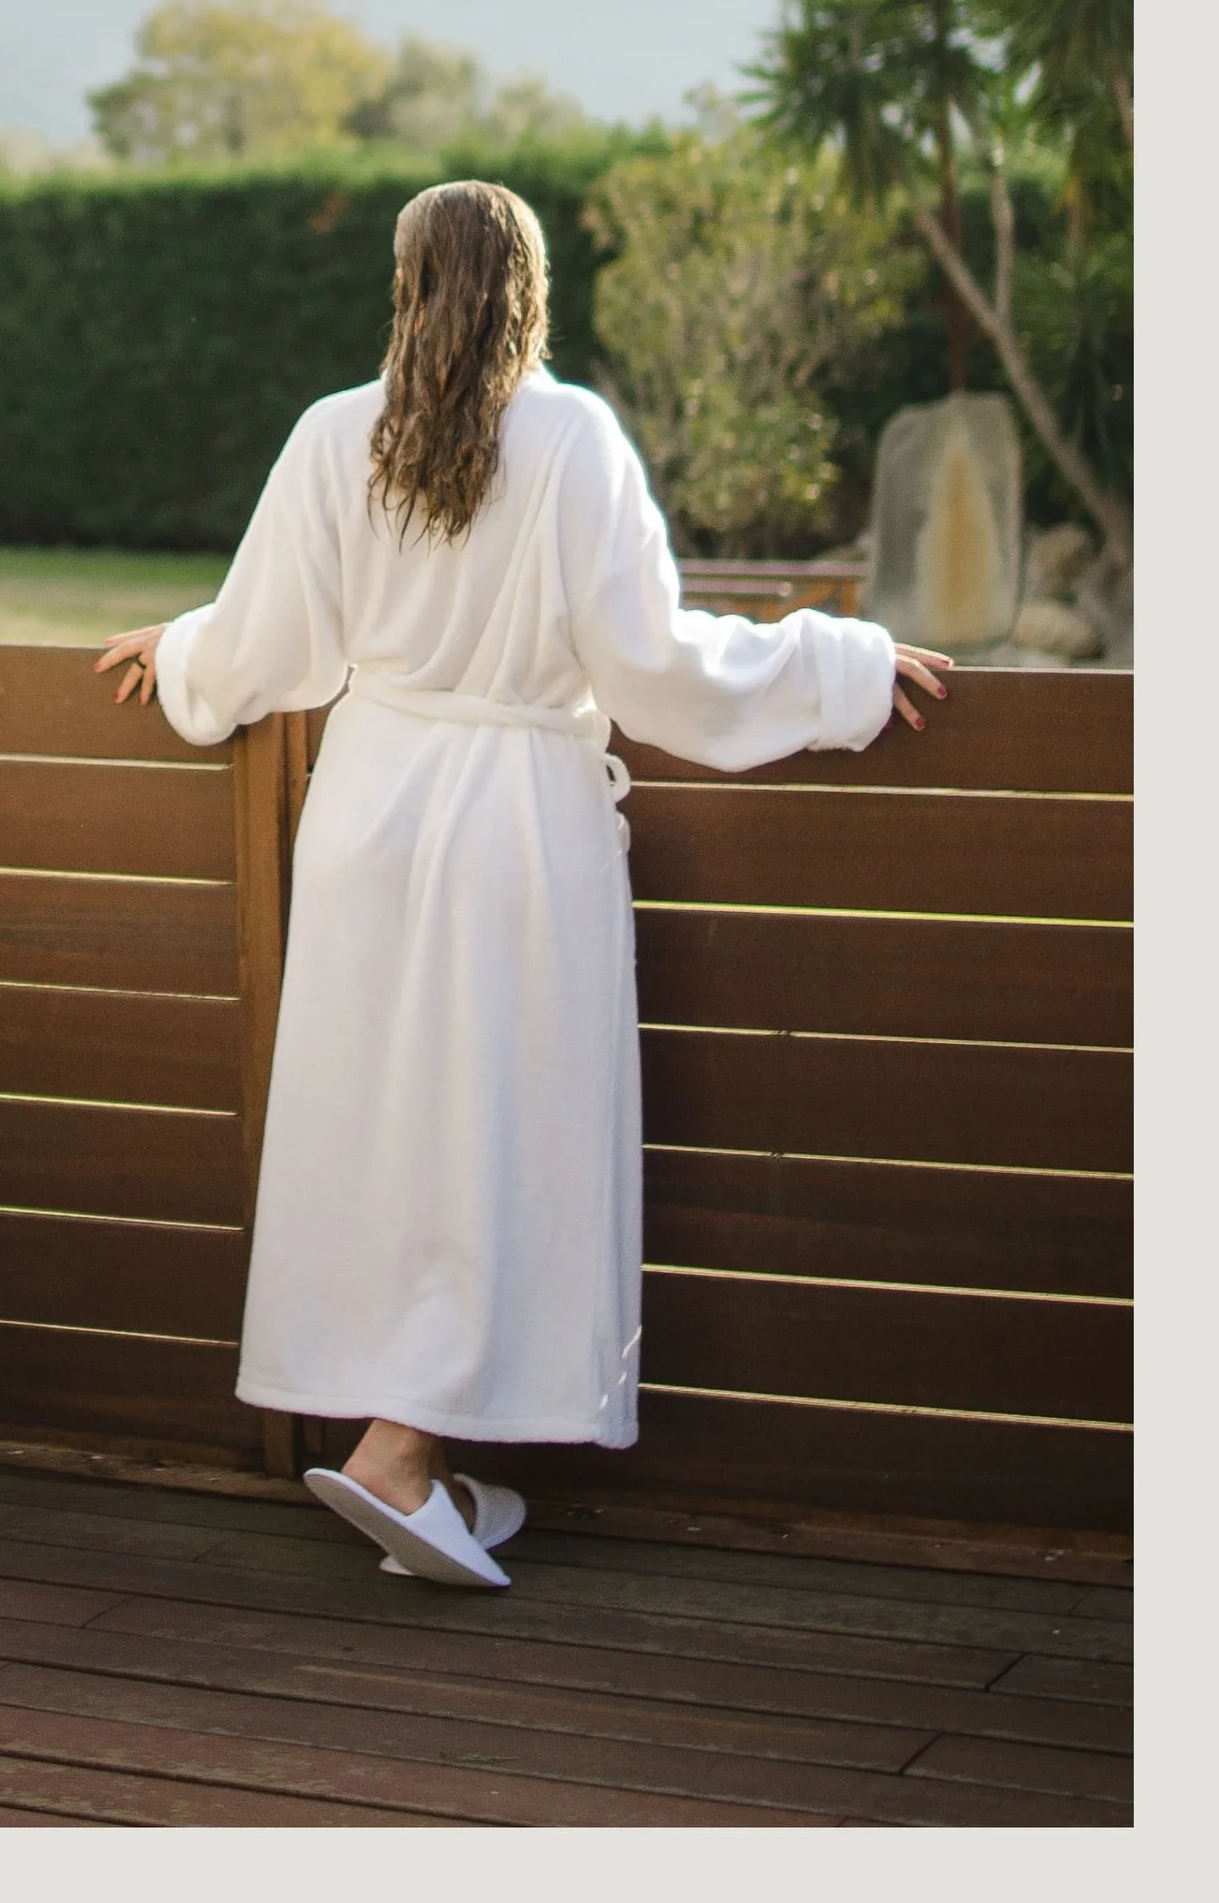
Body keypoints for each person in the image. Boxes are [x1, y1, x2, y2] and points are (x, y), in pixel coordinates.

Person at [95, 179, 949, 1591]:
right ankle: (402, 1451)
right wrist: (842, 664)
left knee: (385, 1129)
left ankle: (422, 1446)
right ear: (533, 286)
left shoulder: (330, 435)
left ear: (405, 282)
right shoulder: (572, 438)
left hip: (368, 810)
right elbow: (656, 667)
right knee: (496, 1130)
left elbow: (260, 649)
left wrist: (181, 654)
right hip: (514, 822)